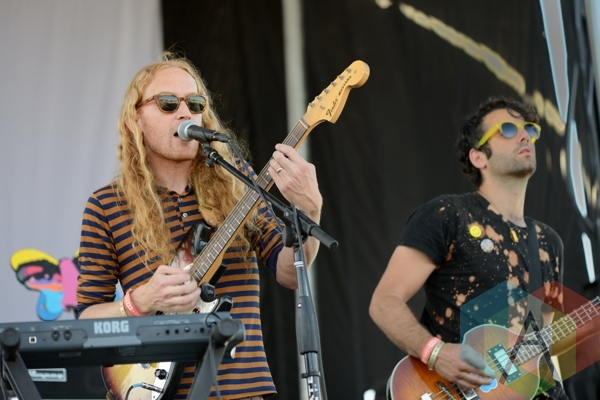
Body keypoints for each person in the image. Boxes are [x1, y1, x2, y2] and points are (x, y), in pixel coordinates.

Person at [76, 52, 323, 400]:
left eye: (195, 103)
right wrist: (140, 301)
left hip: (244, 392)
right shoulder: (106, 205)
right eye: (167, 103)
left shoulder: (238, 183)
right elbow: (86, 322)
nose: (185, 112)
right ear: (135, 121)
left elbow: (290, 273)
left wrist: (310, 209)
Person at [369, 96, 573, 399]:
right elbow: (384, 302)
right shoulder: (448, 215)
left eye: (530, 129)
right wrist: (435, 353)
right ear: (478, 157)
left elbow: (543, 343)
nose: (524, 135)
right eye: (507, 129)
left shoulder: (548, 242)